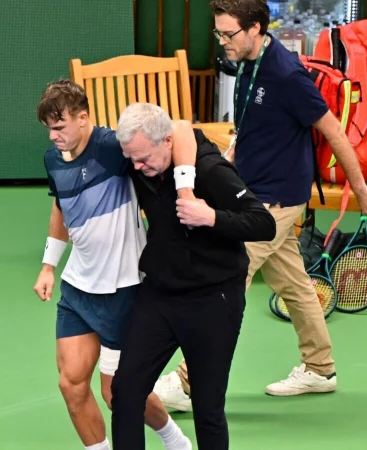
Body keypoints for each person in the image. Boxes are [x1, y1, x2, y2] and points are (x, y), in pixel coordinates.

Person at [153, 0, 367, 411]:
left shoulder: (287, 74)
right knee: (294, 285)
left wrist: (361, 188)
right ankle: (320, 368)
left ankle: (189, 384)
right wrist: (230, 159)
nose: (222, 41)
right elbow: (252, 125)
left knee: (224, 281)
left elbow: (333, 130)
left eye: (229, 34)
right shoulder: (246, 62)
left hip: (275, 201)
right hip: (253, 189)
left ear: (256, 29)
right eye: (218, 33)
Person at [31, 79, 196, 450]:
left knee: (115, 393)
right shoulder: (53, 159)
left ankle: (175, 441)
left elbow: (180, 130)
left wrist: (185, 188)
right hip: (77, 290)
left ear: (83, 118)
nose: (53, 137)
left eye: (59, 127)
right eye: (48, 129)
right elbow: (61, 206)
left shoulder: (110, 147)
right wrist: (48, 265)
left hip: (122, 292)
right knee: (71, 385)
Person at [110, 102, 277, 450]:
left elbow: (264, 223)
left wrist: (210, 217)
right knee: (125, 391)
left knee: (207, 406)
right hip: (159, 295)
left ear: (166, 142)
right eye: (132, 160)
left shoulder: (210, 170)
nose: (138, 168)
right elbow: (183, 126)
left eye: (143, 159)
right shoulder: (142, 159)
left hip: (213, 299)